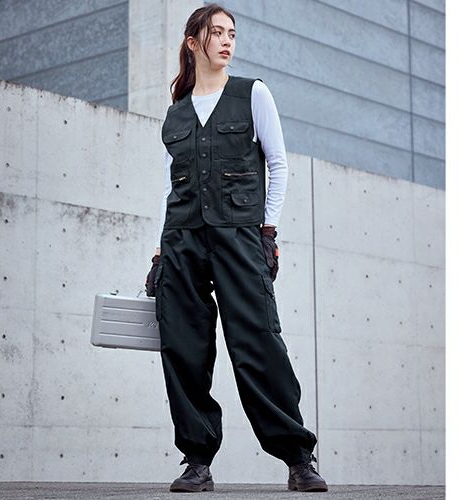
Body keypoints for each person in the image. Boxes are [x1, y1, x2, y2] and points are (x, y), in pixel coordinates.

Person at [144, 3, 328, 494]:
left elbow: (279, 164)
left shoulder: (253, 94)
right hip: (182, 239)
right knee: (183, 347)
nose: (227, 41)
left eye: (232, 33)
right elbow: (171, 188)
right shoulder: (176, 113)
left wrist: (268, 232)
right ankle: (197, 462)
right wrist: (160, 255)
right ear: (193, 42)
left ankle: (297, 458)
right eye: (217, 33)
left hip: (240, 236)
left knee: (258, 343)